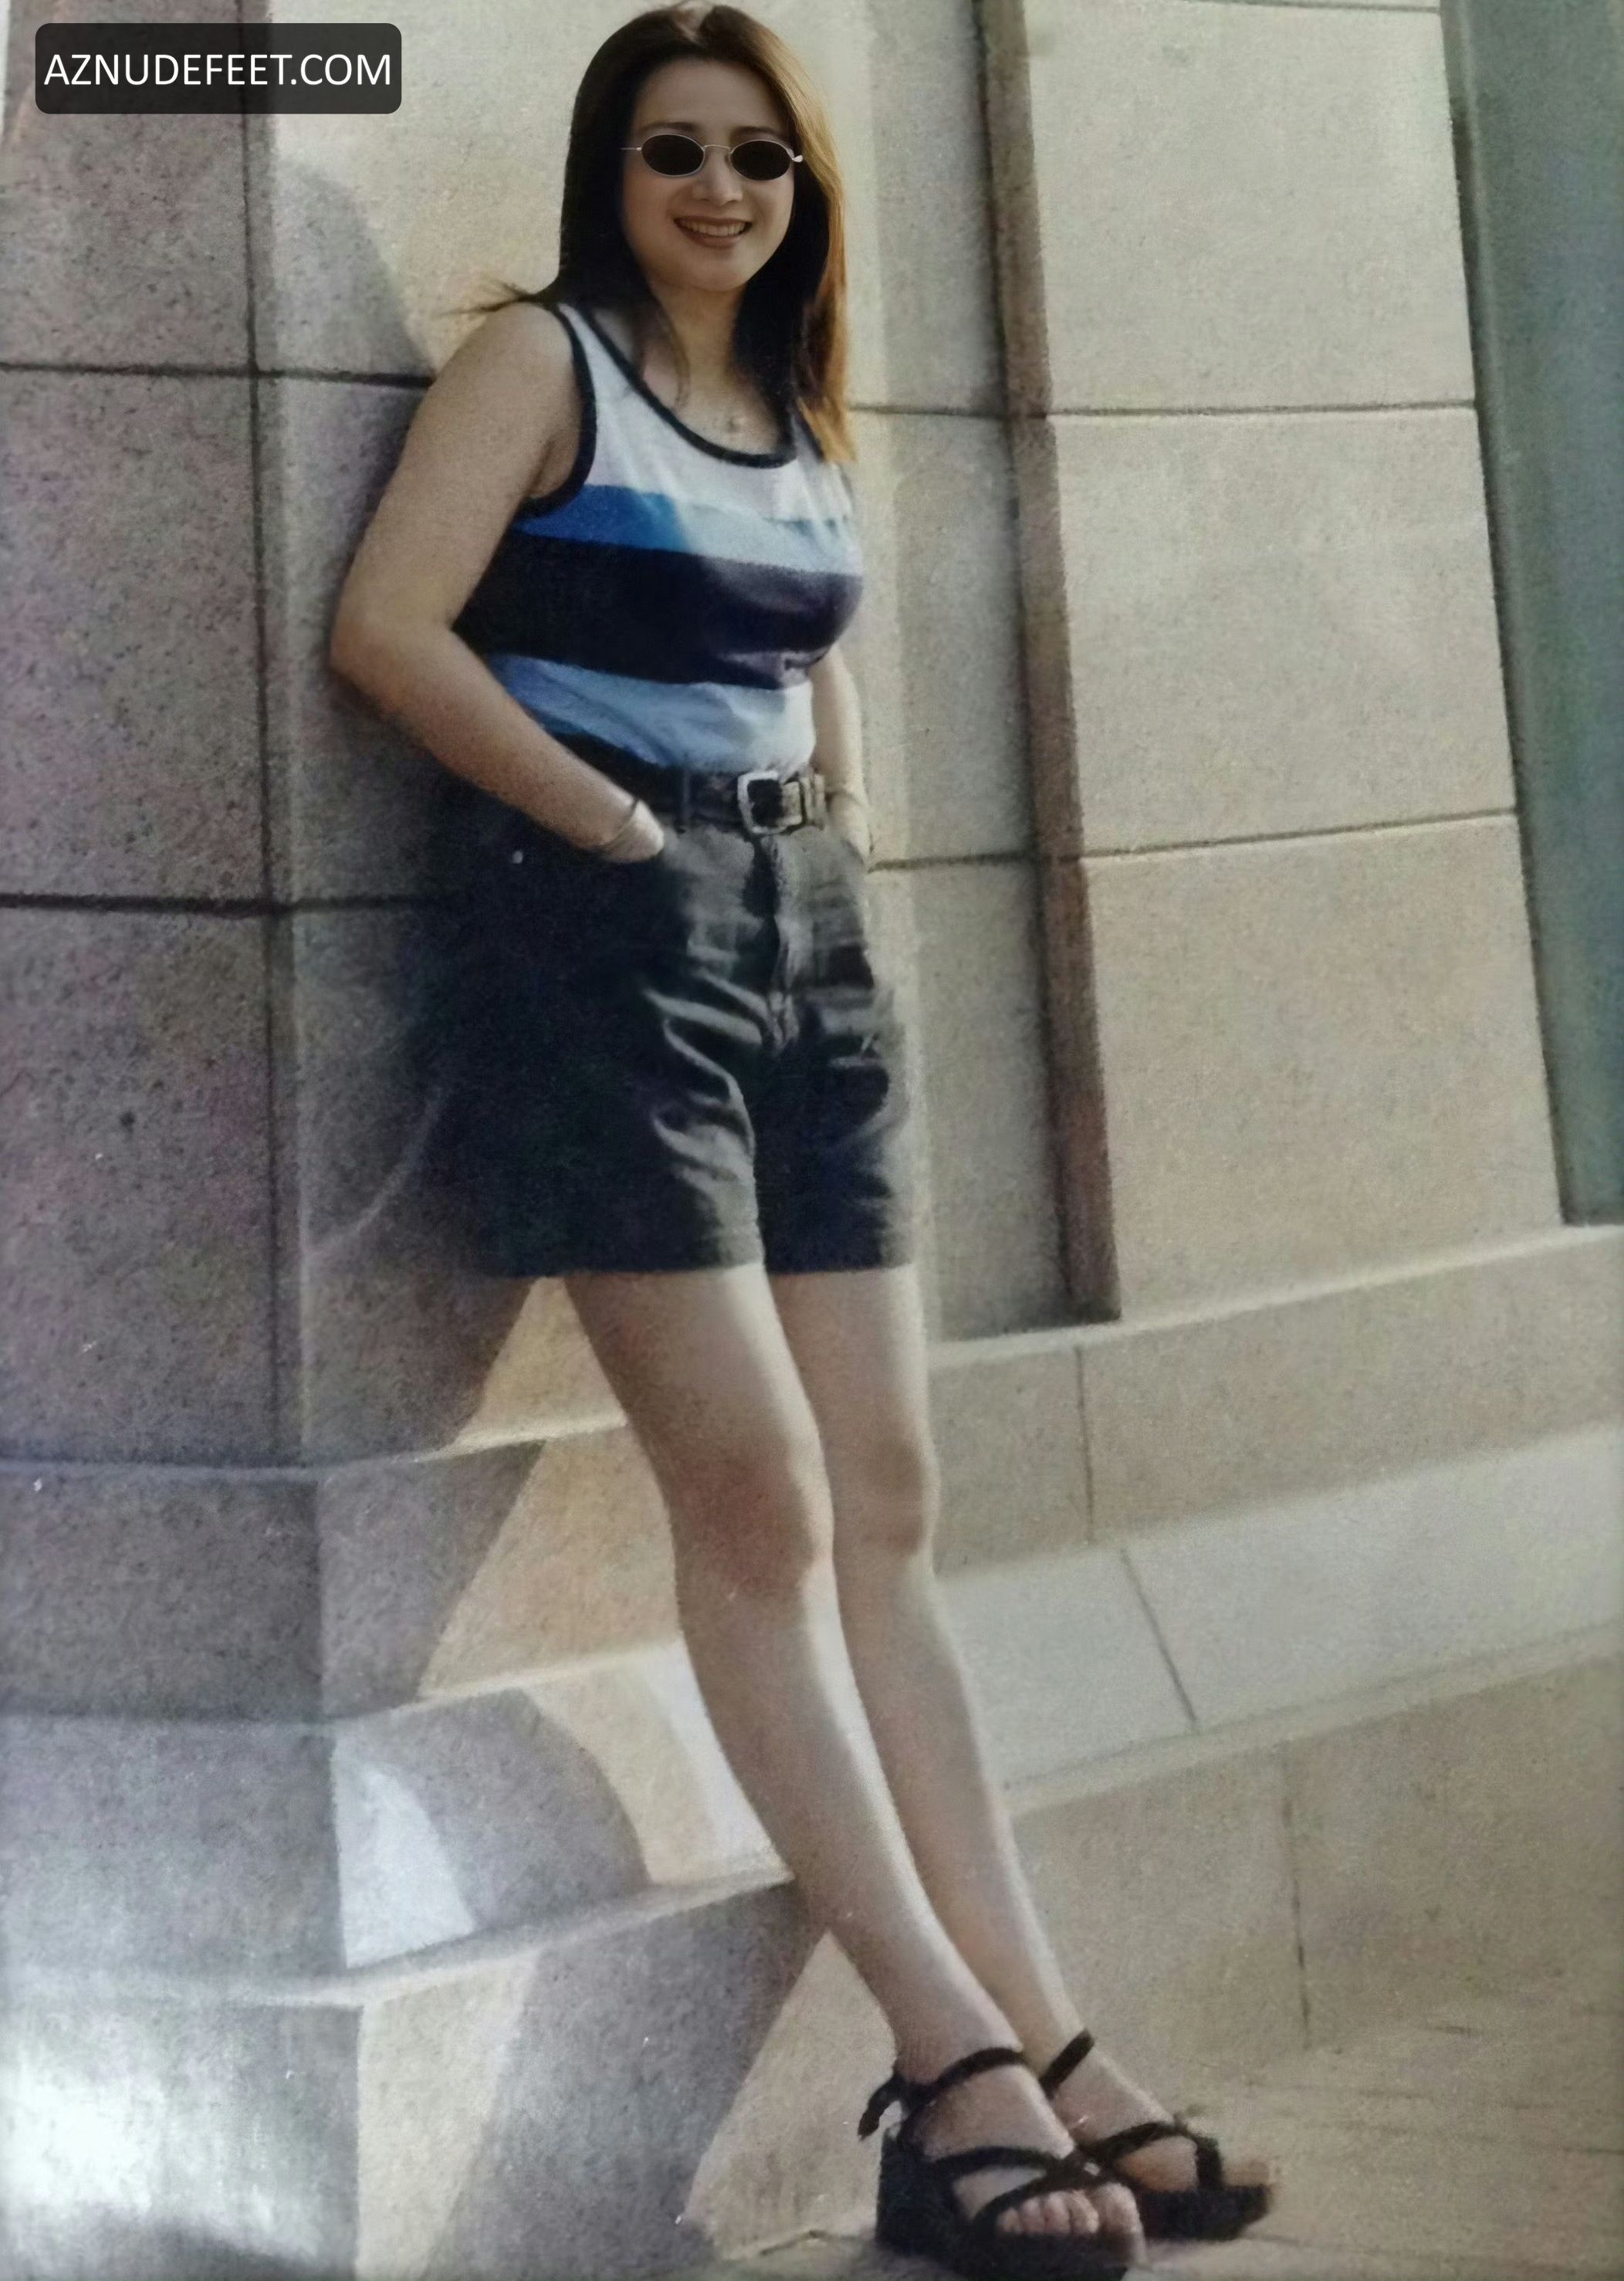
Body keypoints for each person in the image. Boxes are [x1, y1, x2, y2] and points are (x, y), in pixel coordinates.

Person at [327, 7, 1275, 2274]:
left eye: (759, 157)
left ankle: (1045, 2034)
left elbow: (813, 657)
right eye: (676, 151)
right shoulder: (542, 364)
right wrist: (612, 825)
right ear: (612, 170)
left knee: (891, 1497)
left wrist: (839, 840)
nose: (721, 190)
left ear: (803, 189)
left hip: (813, 949)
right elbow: (386, 626)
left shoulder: (790, 399)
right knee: (757, 1494)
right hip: (612, 948)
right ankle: (946, 2061)